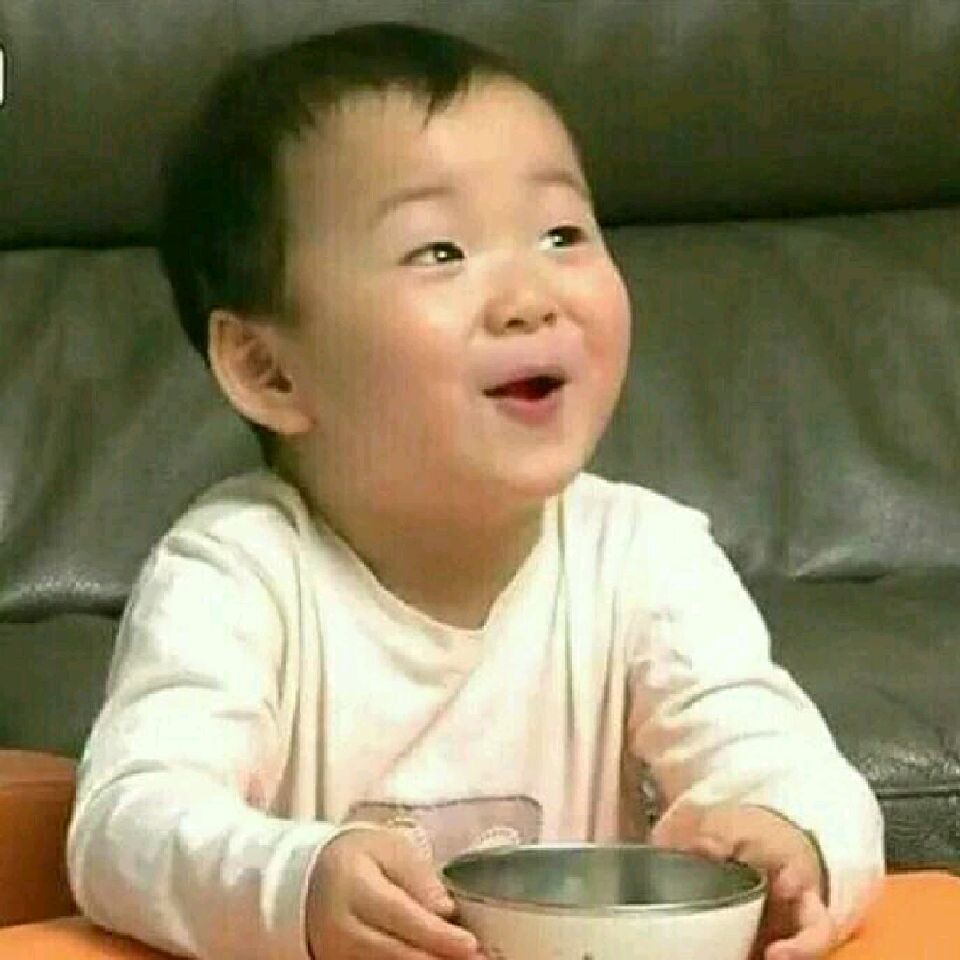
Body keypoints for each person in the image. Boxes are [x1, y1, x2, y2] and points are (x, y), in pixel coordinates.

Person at [66, 21, 884, 960]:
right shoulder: (234, 571)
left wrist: (792, 839)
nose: (531, 297)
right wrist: (298, 884)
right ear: (268, 368)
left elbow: (787, 761)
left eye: (562, 233)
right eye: (439, 252)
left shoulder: (646, 556)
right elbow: (126, 828)